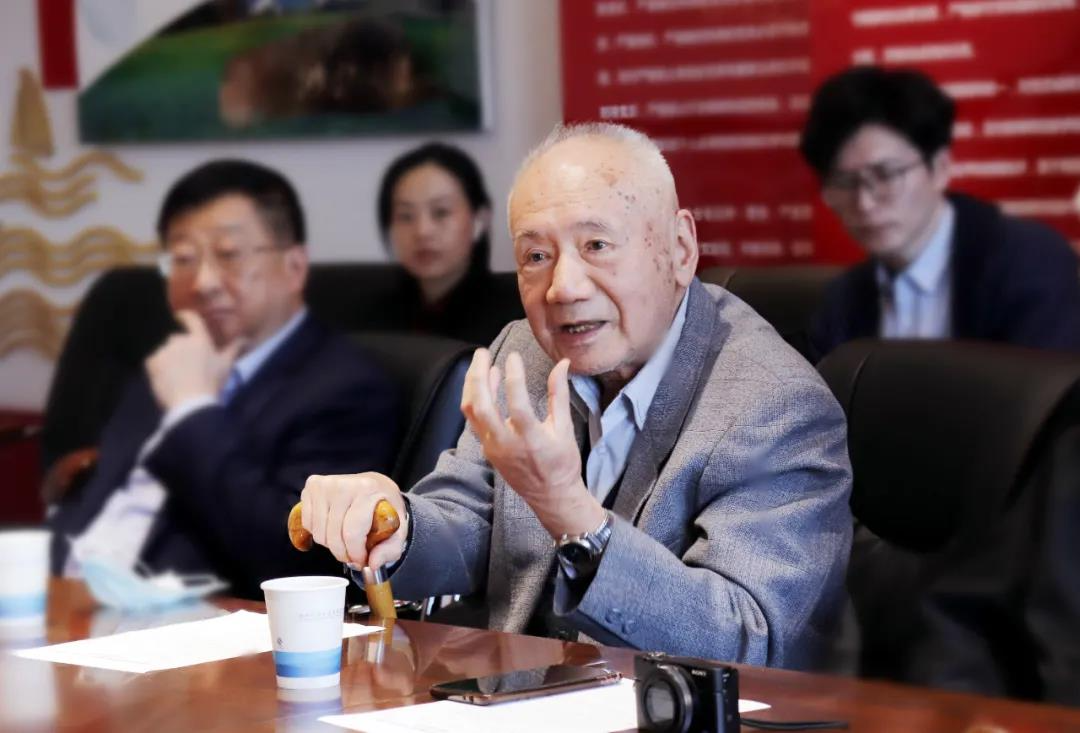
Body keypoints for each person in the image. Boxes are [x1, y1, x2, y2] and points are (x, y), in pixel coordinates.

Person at [301, 123, 853, 669]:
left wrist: (571, 513)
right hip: (518, 693)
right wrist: (397, 523)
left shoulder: (774, 404)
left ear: (681, 249)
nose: (564, 288)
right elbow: (471, 518)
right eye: (536, 257)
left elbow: (747, 640)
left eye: (597, 246)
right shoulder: (524, 349)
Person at [49, 160, 398, 598]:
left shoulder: (347, 389)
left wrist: (193, 411)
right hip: (69, 607)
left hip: (194, 625)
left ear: (294, 266)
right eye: (183, 259)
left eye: (229, 255)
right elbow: (90, 513)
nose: (203, 282)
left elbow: (292, 559)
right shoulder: (167, 364)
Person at [802, 65, 1080, 360]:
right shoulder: (842, 301)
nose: (865, 202)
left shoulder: (1030, 262)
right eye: (844, 182)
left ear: (940, 168)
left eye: (885, 174)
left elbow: (1045, 387)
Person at [367, 142, 523, 345]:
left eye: (441, 212)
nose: (422, 231)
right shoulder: (371, 321)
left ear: (479, 220)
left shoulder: (518, 319)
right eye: (406, 216)